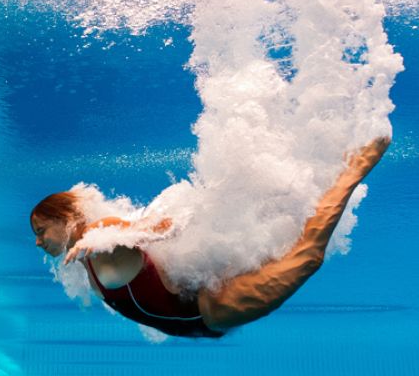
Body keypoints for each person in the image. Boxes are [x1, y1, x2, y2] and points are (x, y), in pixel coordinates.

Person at [30, 137, 390, 337]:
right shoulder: (85, 261)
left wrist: (102, 240)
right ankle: (312, 175)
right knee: (278, 236)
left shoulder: (96, 234)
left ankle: (354, 168)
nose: (38, 241)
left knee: (306, 258)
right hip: (197, 313)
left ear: (65, 219)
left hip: (213, 309)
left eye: (41, 230)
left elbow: (160, 227)